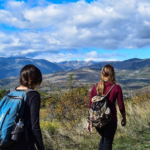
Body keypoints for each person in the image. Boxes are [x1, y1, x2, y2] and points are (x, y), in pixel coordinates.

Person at [1, 64, 45, 150]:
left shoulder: (9, 92)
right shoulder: (33, 95)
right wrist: (41, 147)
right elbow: (34, 126)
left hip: (4, 141)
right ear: (36, 79)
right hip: (22, 141)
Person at [87, 64, 126, 150]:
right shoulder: (116, 87)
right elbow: (121, 106)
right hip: (110, 120)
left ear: (102, 74)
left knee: (104, 140)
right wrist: (124, 118)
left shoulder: (95, 87)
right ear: (113, 74)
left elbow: (90, 106)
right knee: (107, 144)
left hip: (97, 121)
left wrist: (89, 122)